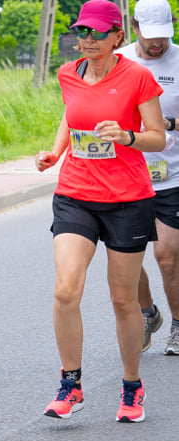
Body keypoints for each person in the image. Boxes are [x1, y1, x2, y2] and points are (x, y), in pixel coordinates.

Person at [36, 0, 165, 423]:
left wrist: (127, 136)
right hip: (75, 193)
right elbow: (70, 116)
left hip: (128, 198)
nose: (86, 40)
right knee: (65, 290)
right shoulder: (67, 73)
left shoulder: (138, 77)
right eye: (81, 32)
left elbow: (158, 138)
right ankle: (70, 384)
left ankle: (132, 386)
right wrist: (55, 152)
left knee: (123, 299)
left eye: (95, 33)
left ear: (117, 36)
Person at [115, 0, 179, 355]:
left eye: (163, 37)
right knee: (126, 256)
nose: (157, 44)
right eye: (151, 37)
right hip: (128, 173)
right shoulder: (119, 62)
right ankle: (147, 312)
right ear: (135, 27)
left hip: (172, 174)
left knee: (167, 255)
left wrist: (167, 125)